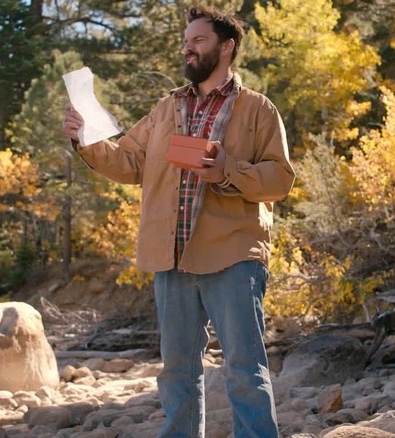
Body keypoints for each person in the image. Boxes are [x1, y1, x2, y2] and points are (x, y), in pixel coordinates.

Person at [62, 6, 295, 437]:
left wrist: (228, 169)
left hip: (233, 254)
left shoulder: (259, 109)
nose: (188, 47)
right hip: (170, 256)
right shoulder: (165, 108)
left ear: (227, 48)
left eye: (199, 40)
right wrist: (86, 140)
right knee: (177, 374)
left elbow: (280, 179)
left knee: (244, 369)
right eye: (185, 41)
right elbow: (129, 161)